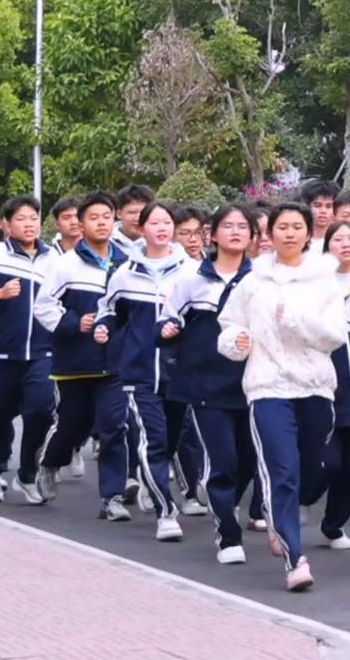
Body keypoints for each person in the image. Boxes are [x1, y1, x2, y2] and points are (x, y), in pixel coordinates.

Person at [217, 202, 348, 592]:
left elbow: (334, 336)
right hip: (267, 387)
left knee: (312, 467)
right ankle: (294, 558)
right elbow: (229, 325)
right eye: (282, 227)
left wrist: (294, 319)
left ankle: (278, 514)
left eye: (297, 227)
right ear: (269, 234)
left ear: (308, 233)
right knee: (282, 471)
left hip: (315, 386)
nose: (289, 233)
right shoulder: (252, 281)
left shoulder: (325, 280)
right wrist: (235, 341)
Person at [162, 205, 259, 564]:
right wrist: (168, 331)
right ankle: (228, 536)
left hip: (254, 385)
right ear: (212, 234)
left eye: (243, 226)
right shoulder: (192, 280)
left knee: (248, 462)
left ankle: (224, 503)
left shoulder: (261, 280)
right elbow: (167, 319)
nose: (235, 232)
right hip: (207, 387)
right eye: (227, 226)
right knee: (224, 463)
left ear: (253, 235)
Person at [96, 201, 193, 537]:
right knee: (153, 441)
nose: (162, 228)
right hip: (138, 373)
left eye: (167, 222)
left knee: (170, 441)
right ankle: (166, 512)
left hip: (180, 373)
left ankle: (154, 483)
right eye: (154, 223)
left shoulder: (192, 271)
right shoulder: (125, 273)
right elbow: (109, 310)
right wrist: (103, 327)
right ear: (141, 229)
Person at [0, 196, 61, 505]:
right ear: (7, 225)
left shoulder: (53, 260)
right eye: (21, 219)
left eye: (33, 218)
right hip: (1, 354)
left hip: (42, 353)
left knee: (41, 412)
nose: (29, 224)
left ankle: (27, 473)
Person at [40, 191, 125, 493]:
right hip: (75, 361)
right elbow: (43, 306)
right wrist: (75, 323)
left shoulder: (127, 264)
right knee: (73, 424)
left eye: (106, 217)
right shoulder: (65, 265)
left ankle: (112, 496)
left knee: (113, 426)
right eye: (94, 218)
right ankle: (50, 463)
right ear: (81, 223)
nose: (101, 223)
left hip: (115, 363)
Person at [317, 221, 350, 551]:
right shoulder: (313, 285)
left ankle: (333, 524)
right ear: (327, 247)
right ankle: (298, 500)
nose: (346, 244)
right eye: (338, 239)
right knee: (327, 463)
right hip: (323, 385)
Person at [111, 184, 155, 257]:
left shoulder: (159, 242)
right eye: (132, 212)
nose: (138, 218)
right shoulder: (106, 242)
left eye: (143, 212)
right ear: (119, 214)